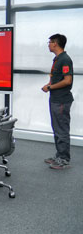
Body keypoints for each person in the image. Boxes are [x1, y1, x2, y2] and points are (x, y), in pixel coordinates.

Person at [42, 33, 74, 170]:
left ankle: (64, 159)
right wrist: (49, 84)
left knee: (61, 130)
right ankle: (59, 155)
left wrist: (50, 87)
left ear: (55, 43)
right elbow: (56, 78)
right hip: (55, 99)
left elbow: (67, 81)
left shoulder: (65, 59)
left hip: (61, 100)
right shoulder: (57, 59)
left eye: (50, 42)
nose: (48, 45)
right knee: (57, 128)